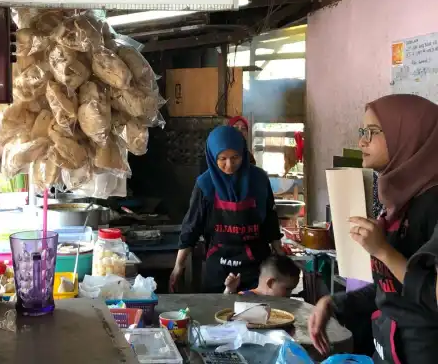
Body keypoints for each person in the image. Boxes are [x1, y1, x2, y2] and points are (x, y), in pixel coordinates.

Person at [308, 94, 438, 364]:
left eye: (374, 132)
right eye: (362, 131)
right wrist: (334, 303)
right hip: (388, 349)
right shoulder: (398, 200)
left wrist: (383, 250)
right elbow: (389, 287)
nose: (362, 141)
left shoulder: (433, 203)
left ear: (410, 136)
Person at [170, 125, 283, 293]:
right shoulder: (205, 184)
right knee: (216, 313)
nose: (229, 165)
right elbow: (191, 228)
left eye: (235, 157)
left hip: (256, 269)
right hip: (218, 269)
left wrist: (280, 257)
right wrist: (178, 266)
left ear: (243, 153)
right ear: (212, 156)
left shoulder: (259, 180)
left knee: (255, 315)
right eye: (222, 158)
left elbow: (271, 223)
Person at [224, 254, 301, 297]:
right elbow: (227, 307)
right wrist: (230, 290)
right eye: (288, 289)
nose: (289, 294)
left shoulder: (281, 302)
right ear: (270, 283)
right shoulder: (246, 297)